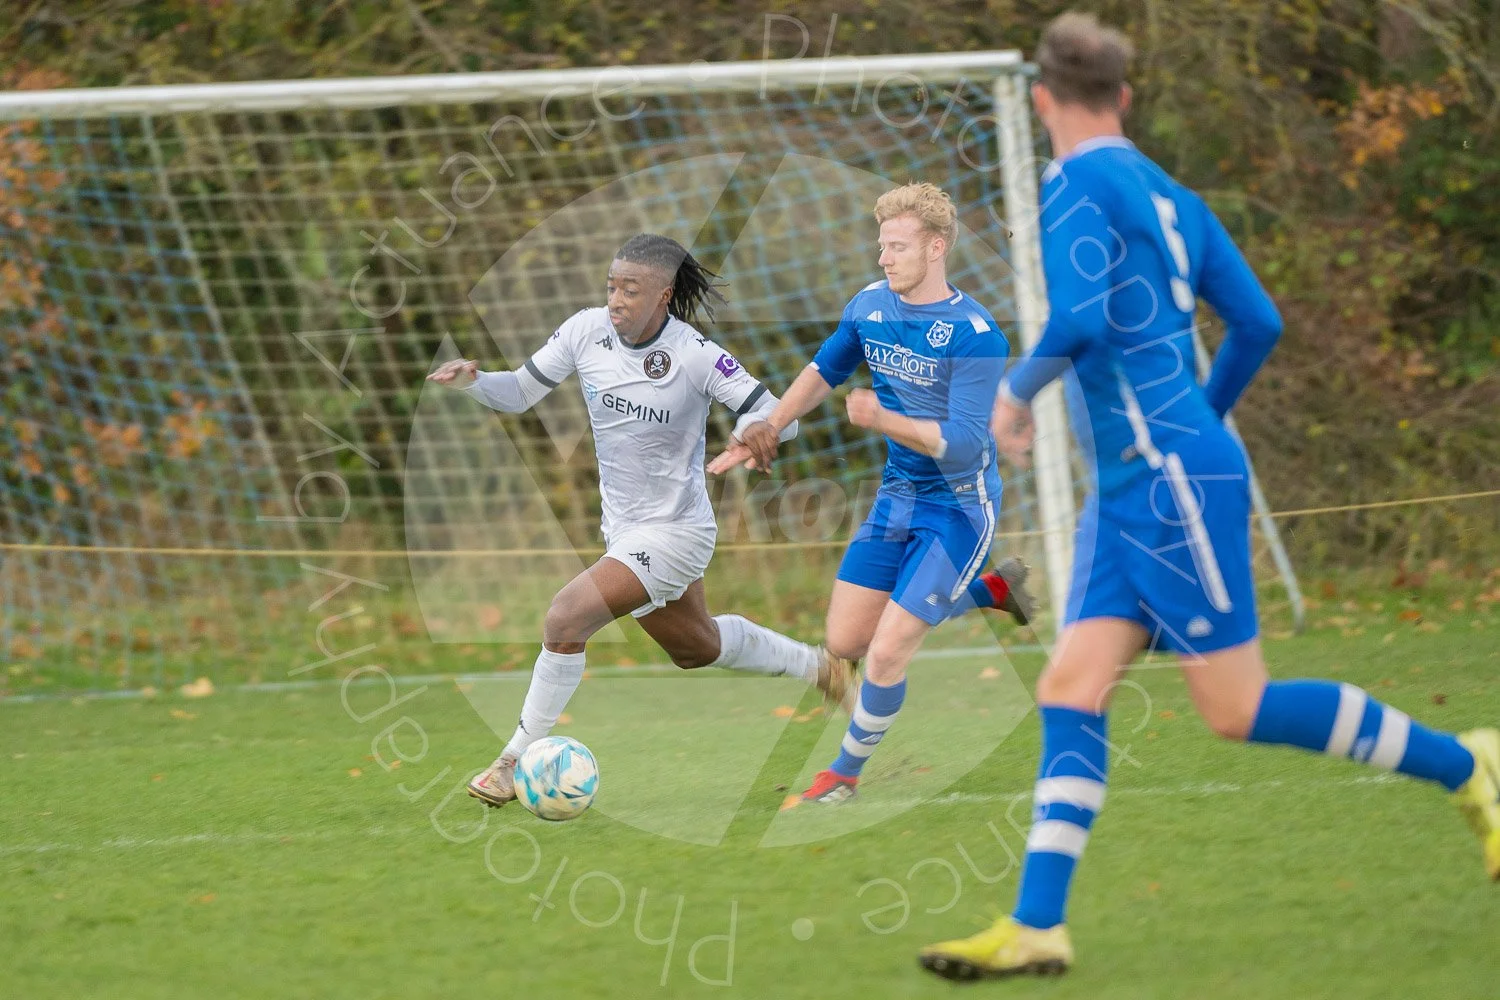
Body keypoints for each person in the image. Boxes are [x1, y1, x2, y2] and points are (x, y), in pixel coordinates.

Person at [917, 13, 1499, 981]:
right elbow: (1257, 321)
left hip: (1165, 482)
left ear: (1042, 100)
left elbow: (1082, 318)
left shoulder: (1072, 182)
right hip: (1147, 481)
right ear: (1127, 97)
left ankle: (1470, 763)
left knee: (1236, 706)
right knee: (1070, 686)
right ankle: (1036, 926)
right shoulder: (1173, 193)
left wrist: (1017, 395)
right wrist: (1202, 420)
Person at [428, 233, 858, 809]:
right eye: (611, 286)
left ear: (664, 293)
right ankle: (818, 667)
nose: (616, 299)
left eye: (631, 289)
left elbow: (778, 413)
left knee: (566, 615)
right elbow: (521, 392)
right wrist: (476, 383)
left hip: (678, 532)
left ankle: (510, 761)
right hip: (625, 531)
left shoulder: (696, 354)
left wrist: (763, 427)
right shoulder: (585, 331)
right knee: (695, 648)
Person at [710, 182, 1035, 807]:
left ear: (936, 248)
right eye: (880, 245)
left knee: (886, 653)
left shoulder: (975, 334)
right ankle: (989, 591)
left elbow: (967, 444)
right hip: (897, 499)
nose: (884, 258)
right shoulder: (868, 306)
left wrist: (883, 420)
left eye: (897, 246)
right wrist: (765, 430)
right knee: (844, 645)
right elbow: (822, 371)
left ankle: (844, 772)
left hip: (959, 510)